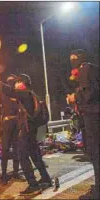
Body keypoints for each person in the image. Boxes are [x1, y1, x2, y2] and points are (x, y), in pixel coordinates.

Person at [0, 73, 52, 196]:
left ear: (22, 83)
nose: (15, 84)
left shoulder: (24, 94)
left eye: (17, 82)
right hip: (32, 130)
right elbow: (11, 94)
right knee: (35, 155)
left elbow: (10, 91)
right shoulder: (31, 95)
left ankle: (33, 184)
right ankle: (46, 178)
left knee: (22, 156)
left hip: (26, 130)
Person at [66, 49, 99, 199]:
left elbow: (89, 93)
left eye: (73, 58)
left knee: (95, 152)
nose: (72, 61)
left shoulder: (85, 68)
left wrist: (74, 96)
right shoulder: (90, 69)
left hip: (93, 115)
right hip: (93, 114)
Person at [0, 74, 25, 185]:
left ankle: (16, 172)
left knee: (16, 148)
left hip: (16, 123)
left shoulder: (16, 92)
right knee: (5, 150)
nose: (11, 82)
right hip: (6, 124)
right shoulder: (3, 92)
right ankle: (4, 175)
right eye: (9, 81)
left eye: (12, 81)